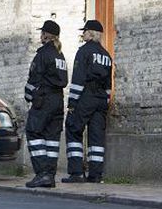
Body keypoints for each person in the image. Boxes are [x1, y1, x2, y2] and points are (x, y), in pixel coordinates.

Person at [61, 19, 113, 183]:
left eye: (84, 31)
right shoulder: (106, 55)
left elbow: (78, 79)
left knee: (73, 128)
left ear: (90, 33)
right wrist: (105, 101)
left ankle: (76, 173)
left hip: (86, 96)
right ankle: (95, 174)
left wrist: (72, 104)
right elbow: (108, 84)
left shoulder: (83, 51)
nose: (82, 34)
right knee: (96, 136)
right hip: (101, 99)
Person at [24, 20, 68, 188]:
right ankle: (50, 175)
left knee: (34, 133)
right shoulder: (60, 55)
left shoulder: (43, 54)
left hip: (44, 100)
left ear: (45, 35)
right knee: (52, 138)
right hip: (58, 100)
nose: (40, 35)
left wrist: (29, 96)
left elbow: (34, 78)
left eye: (42, 33)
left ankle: (42, 173)